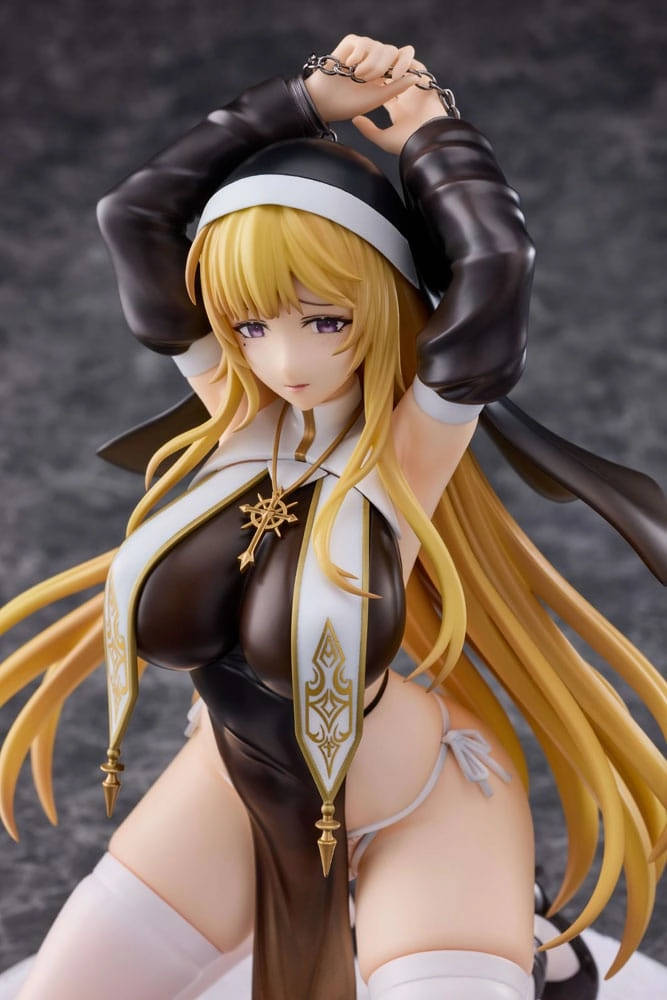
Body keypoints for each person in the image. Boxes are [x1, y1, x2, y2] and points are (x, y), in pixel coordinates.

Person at [1, 33, 665, 1000]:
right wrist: (304, 99)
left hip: (423, 802)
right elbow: (134, 213)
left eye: (326, 320)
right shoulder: (238, 415)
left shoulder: (404, 450)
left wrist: (432, 132)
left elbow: (493, 263)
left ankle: (523, 934)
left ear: (383, 308)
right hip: (232, 794)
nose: (285, 361)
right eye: (250, 323)